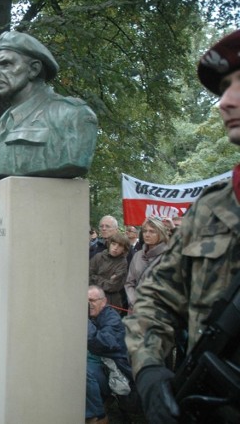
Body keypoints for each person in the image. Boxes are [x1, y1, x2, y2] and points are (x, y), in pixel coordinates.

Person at [124, 30, 240, 424]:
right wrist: (151, 369)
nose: (225, 101)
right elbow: (156, 298)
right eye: (224, 87)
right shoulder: (211, 208)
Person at [0, 31, 98, 179]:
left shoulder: (72, 114)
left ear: (34, 69)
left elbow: (76, 160)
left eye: (6, 64)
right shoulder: (5, 121)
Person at [86, 286, 132, 424]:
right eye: (86, 300)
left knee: (82, 371)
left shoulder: (112, 319)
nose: (89, 304)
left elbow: (101, 343)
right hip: (98, 366)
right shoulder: (90, 316)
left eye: (92, 300)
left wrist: (83, 321)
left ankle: (97, 416)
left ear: (104, 301)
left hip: (114, 373)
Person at [123, 217, 169, 309]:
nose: (147, 234)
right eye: (145, 231)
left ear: (161, 234)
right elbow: (129, 283)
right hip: (136, 310)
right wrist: (134, 301)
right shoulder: (137, 255)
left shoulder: (169, 257)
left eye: (152, 231)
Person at [89, 232, 129, 310]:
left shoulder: (122, 263)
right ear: (109, 244)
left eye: (120, 246)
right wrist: (105, 280)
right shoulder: (98, 257)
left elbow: (112, 286)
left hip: (111, 303)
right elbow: (87, 277)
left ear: (124, 249)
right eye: (113, 244)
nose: (115, 248)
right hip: (92, 299)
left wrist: (95, 277)